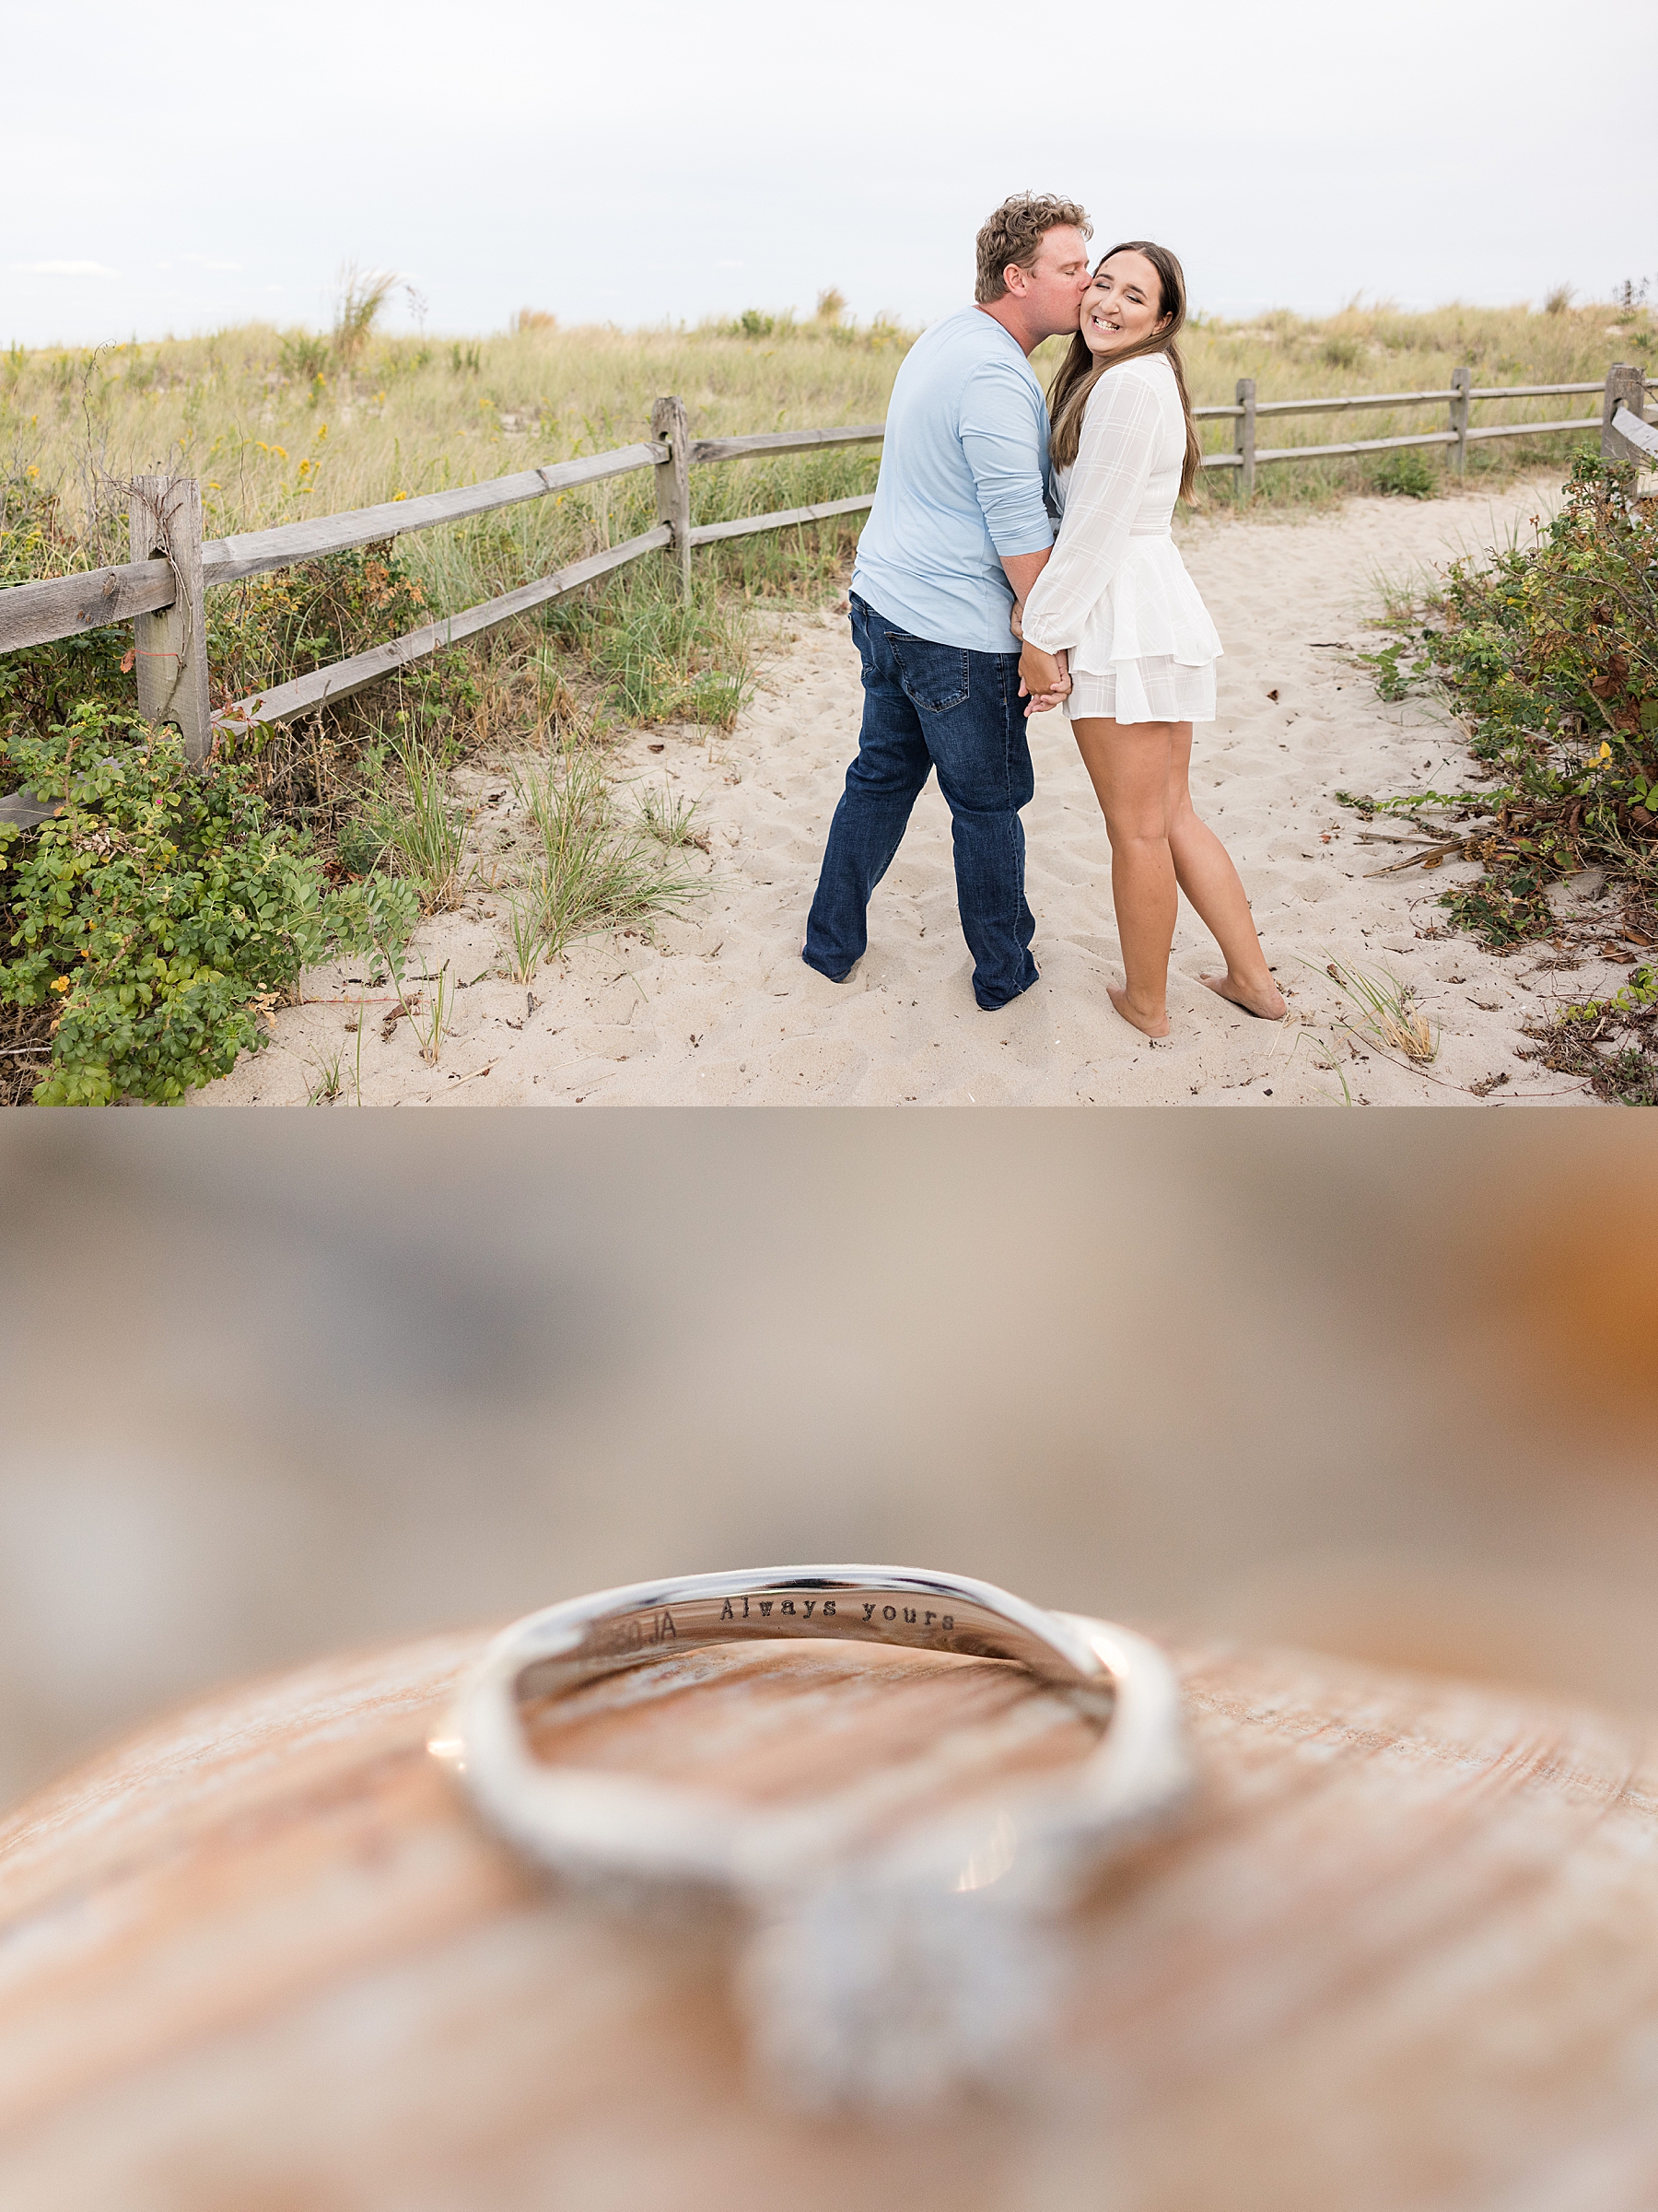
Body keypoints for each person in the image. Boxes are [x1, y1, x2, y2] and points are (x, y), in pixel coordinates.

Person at [801, 193, 1094, 1011]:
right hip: (954, 634)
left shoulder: (945, 337)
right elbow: (1018, 528)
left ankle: (830, 945)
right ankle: (1005, 975)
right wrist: (1047, 639)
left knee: (880, 778)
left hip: (884, 604)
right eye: (1070, 269)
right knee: (989, 805)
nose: (1089, 283)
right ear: (1017, 277)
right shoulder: (998, 377)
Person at [1017, 242, 1287, 1038]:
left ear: (1162, 319)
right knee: (1171, 817)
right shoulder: (1138, 378)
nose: (1108, 301)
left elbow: (1094, 532)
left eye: (1134, 295)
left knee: (1139, 829)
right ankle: (1253, 981)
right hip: (1152, 605)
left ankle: (1148, 1003)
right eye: (1101, 283)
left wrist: (1042, 633)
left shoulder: (1129, 385)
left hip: (1123, 616)